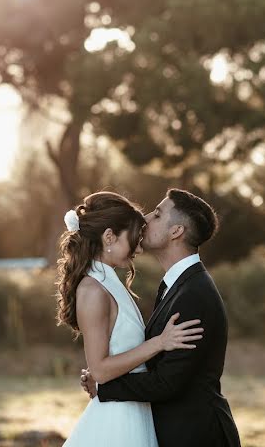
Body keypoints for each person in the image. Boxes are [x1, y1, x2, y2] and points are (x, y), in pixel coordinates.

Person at [80, 189, 242, 447]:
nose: (144, 219)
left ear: (176, 231)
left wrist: (104, 387)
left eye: (156, 214)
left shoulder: (194, 294)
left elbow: (167, 382)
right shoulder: (178, 285)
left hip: (197, 436)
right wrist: (106, 370)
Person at [57, 191, 204, 447]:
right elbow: (101, 370)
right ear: (109, 237)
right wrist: (159, 343)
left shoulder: (110, 282)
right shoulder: (92, 289)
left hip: (135, 410)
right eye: (134, 238)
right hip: (118, 420)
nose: (139, 247)